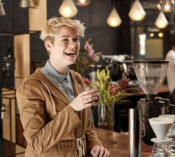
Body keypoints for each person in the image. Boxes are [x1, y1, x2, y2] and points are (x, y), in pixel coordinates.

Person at [16, 17, 110, 157]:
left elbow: (86, 124)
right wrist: (72, 108)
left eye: (76, 39)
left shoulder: (76, 77)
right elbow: (36, 143)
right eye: (65, 39)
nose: (73, 45)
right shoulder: (31, 87)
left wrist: (94, 143)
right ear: (49, 45)